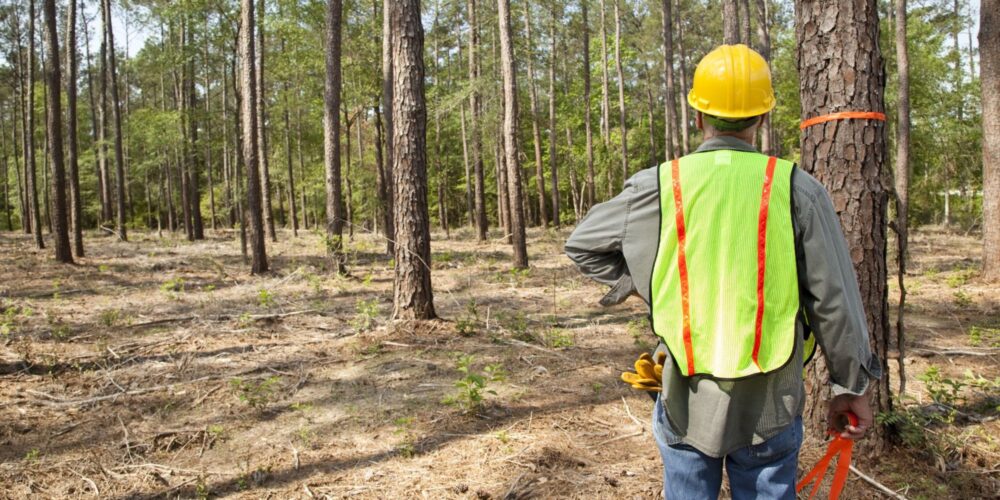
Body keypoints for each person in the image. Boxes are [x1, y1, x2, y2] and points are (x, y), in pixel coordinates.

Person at [564, 44, 882, 499]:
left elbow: (583, 245)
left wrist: (649, 288)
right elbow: (834, 300)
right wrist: (851, 386)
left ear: (698, 116)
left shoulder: (659, 185)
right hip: (771, 401)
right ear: (763, 116)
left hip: (684, 396)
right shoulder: (796, 189)